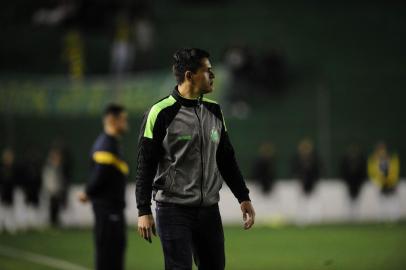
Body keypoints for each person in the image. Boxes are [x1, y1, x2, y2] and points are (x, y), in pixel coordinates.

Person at [135, 48, 255, 270]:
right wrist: (143, 210)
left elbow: (226, 159)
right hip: (173, 210)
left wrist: (243, 197)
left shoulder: (215, 111)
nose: (213, 75)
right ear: (189, 76)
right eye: (207, 70)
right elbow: (146, 164)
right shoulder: (160, 112)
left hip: (209, 211)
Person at [78, 104, 129, 270]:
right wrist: (87, 192)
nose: (125, 122)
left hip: (113, 210)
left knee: (114, 255)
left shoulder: (113, 143)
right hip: (108, 211)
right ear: (111, 120)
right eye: (123, 119)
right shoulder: (106, 145)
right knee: (108, 257)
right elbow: (99, 175)